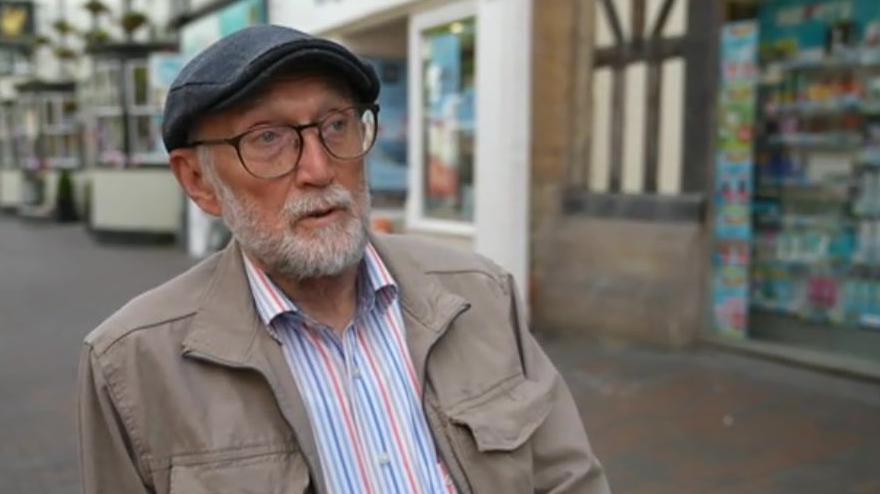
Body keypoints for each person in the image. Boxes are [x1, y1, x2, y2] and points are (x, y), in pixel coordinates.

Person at [76, 24, 611, 494]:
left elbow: (568, 480)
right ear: (199, 181)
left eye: (337, 125)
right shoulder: (133, 363)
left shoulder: (479, 294)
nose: (318, 168)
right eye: (268, 138)